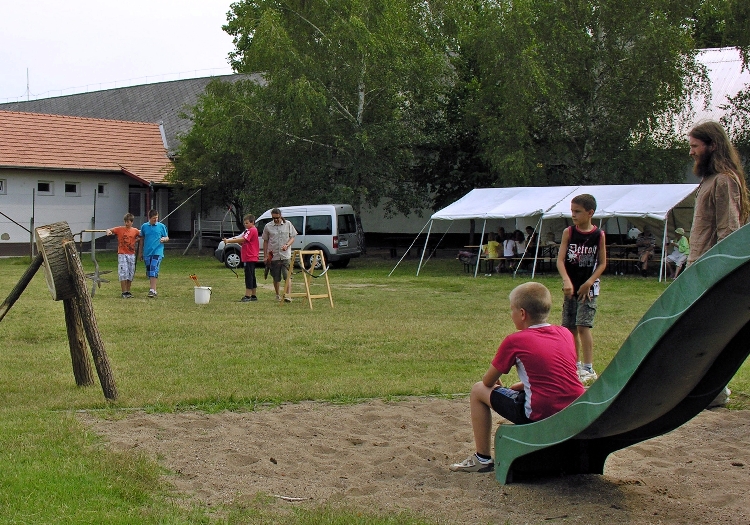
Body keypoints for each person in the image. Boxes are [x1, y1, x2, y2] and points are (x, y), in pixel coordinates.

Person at [449, 282, 585, 472]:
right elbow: (558, 372)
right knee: (516, 389)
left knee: (478, 390)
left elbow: (488, 381)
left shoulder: (515, 340)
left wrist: (497, 383)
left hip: (540, 414)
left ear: (522, 314)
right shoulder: (565, 333)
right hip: (575, 410)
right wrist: (525, 384)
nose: (510, 314)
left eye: (511, 309)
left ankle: (482, 458)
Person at [686, 121, 749, 407]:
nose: (691, 152)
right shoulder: (709, 180)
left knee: (710, 334)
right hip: (698, 268)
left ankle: (716, 391)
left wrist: (723, 274)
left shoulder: (724, 180)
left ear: (712, 146)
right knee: (695, 333)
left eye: (695, 146)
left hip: (712, 270)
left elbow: (729, 231)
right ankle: (707, 389)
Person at [556, 194, 607, 384]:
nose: (573, 215)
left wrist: (589, 282)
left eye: (577, 211)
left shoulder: (598, 235)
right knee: (570, 328)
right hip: (571, 288)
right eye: (572, 211)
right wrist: (566, 281)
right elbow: (560, 260)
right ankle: (574, 364)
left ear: (590, 213)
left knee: (583, 326)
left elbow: (602, 263)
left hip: (588, 291)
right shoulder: (569, 232)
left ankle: (588, 367)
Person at [261, 208, 297, 302]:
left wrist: (287, 245)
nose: (276, 220)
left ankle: (288, 295)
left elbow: (293, 237)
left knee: (287, 276)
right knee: (276, 277)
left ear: (280, 216)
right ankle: (277, 295)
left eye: (277, 217)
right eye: (274, 218)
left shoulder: (288, 224)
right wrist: (265, 256)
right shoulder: (268, 226)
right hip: (274, 256)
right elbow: (265, 241)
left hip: (285, 255)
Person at [223, 214, 259, 302]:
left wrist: (229, 241)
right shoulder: (249, 231)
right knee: (252, 276)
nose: (245, 225)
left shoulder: (252, 230)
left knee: (249, 276)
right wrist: (237, 241)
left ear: (252, 222)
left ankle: (247, 296)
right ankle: (253, 295)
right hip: (249, 256)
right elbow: (245, 242)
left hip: (250, 256)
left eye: (247, 223)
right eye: (244, 223)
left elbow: (243, 239)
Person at [105, 212, 140, 298]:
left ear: (132, 222)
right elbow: (109, 230)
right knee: (123, 272)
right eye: (125, 221)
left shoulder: (135, 231)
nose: (126, 223)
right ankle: (124, 291)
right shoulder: (120, 229)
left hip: (131, 254)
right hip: (122, 254)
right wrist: (108, 232)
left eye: (128, 222)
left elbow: (141, 235)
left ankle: (128, 291)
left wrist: (137, 240)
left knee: (130, 272)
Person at [138, 209, 168, 298]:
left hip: (158, 251)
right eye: (154, 218)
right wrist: (140, 253)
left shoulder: (161, 226)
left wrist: (164, 239)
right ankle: (153, 290)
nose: (156, 220)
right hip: (147, 252)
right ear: (149, 218)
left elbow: (167, 237)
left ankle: (152, 290)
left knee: (153, 268)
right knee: (149, 271)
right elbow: (141, 240)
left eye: (157, 218)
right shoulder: (144, 227)